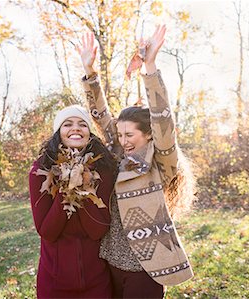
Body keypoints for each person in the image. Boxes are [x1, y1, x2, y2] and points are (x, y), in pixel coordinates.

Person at [77, 25, 196, 298]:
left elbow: (162, 117)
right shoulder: (117, 155)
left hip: (147, 268)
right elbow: (100, 113)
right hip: (108, 261)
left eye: (129, 134)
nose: (123, 140)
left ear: (148, 134)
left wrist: (150, 67)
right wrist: (90, 72)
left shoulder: (161, 159)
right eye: (119, 134)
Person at [29, 105, 118, 298]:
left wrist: (84, 186)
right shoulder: (41, 170)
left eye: (82, 124)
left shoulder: (104, 169)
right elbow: (47, 231)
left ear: (89, 133)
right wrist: (68, 190)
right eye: (67, 124)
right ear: (58, 132)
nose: (75, 128)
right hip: (54, 281)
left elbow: (98, 230)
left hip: (97, 281)